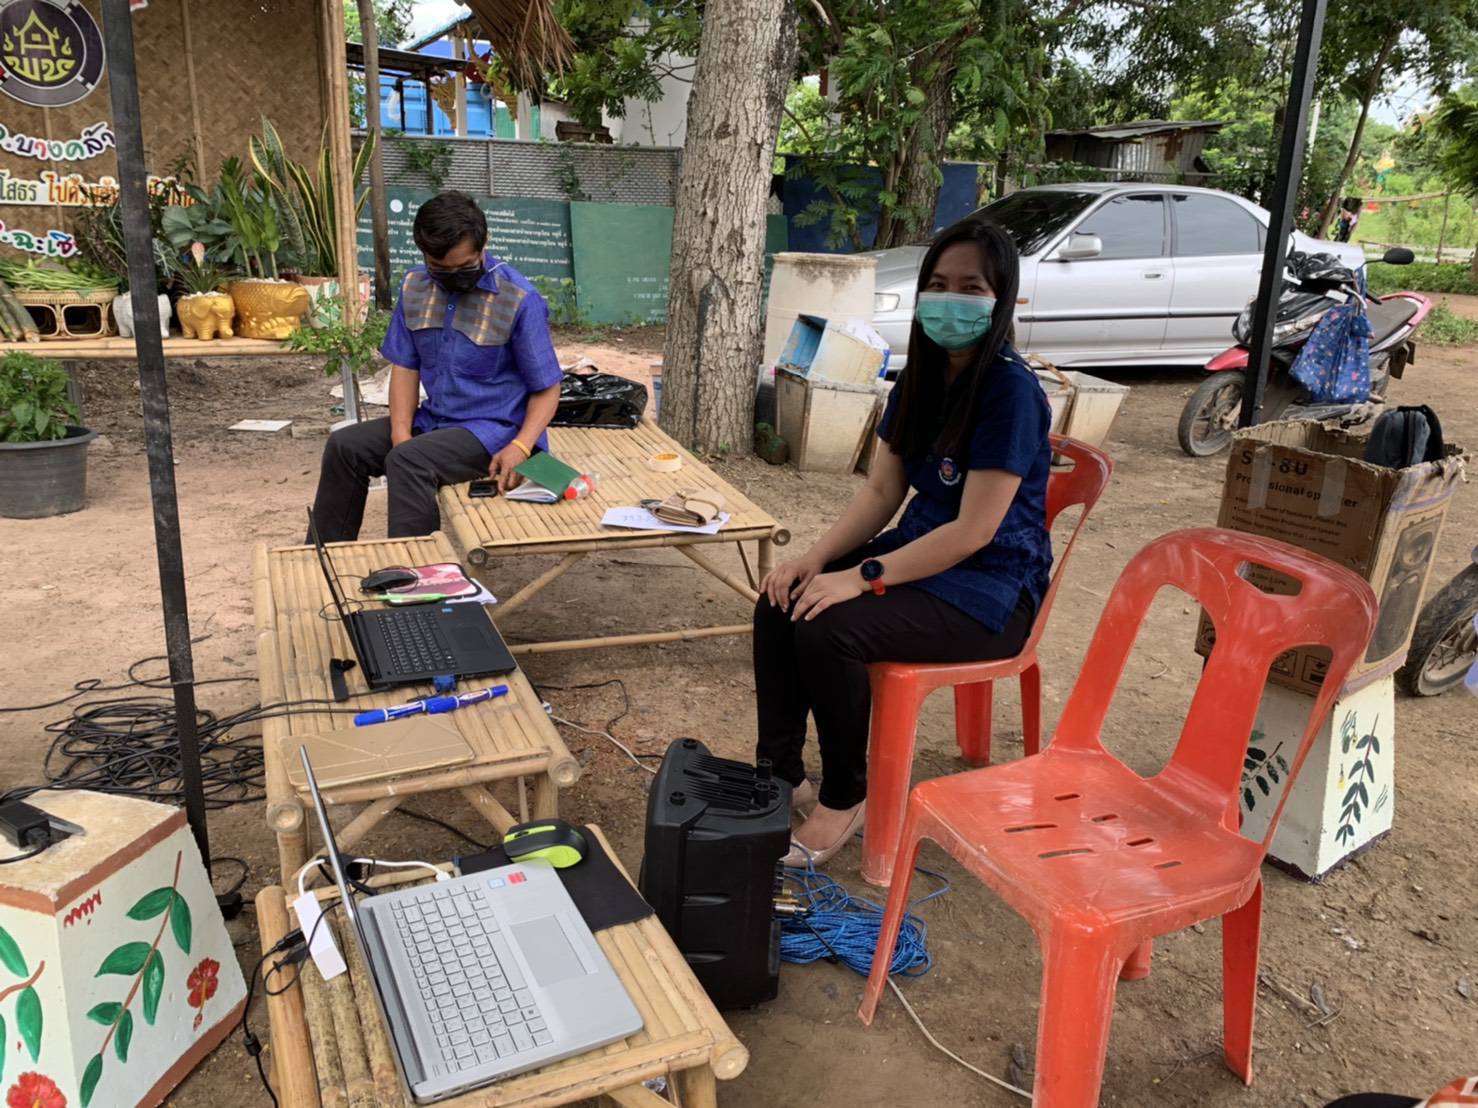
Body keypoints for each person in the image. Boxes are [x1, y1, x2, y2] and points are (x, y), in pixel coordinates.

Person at [753, 218, 1052, 867]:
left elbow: (974, 532)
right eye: (937, 284)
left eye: (970, 286)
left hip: (992, 591)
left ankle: (844, 795)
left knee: (828, 628)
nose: (950, 299)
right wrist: (816, 559)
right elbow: (883, 493)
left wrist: (859, 579)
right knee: (783, 597)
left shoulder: (1010, 393)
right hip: (923, 559)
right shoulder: (920, 379)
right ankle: (781, 773)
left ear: (1001, 299)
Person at [309, 190, 564, 542]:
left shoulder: (519, 299)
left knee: (410, 461)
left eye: (465, 267)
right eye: (440, 269)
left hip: (497, 431)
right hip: (436, 423)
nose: (454, 277)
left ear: (483, 244)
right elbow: (405, 366)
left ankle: (419, 581)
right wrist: (400, 434)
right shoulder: (415, 286)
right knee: (345, 445)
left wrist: (521, 447)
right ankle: (326, 560)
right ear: (423, 253)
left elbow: (548, 388)